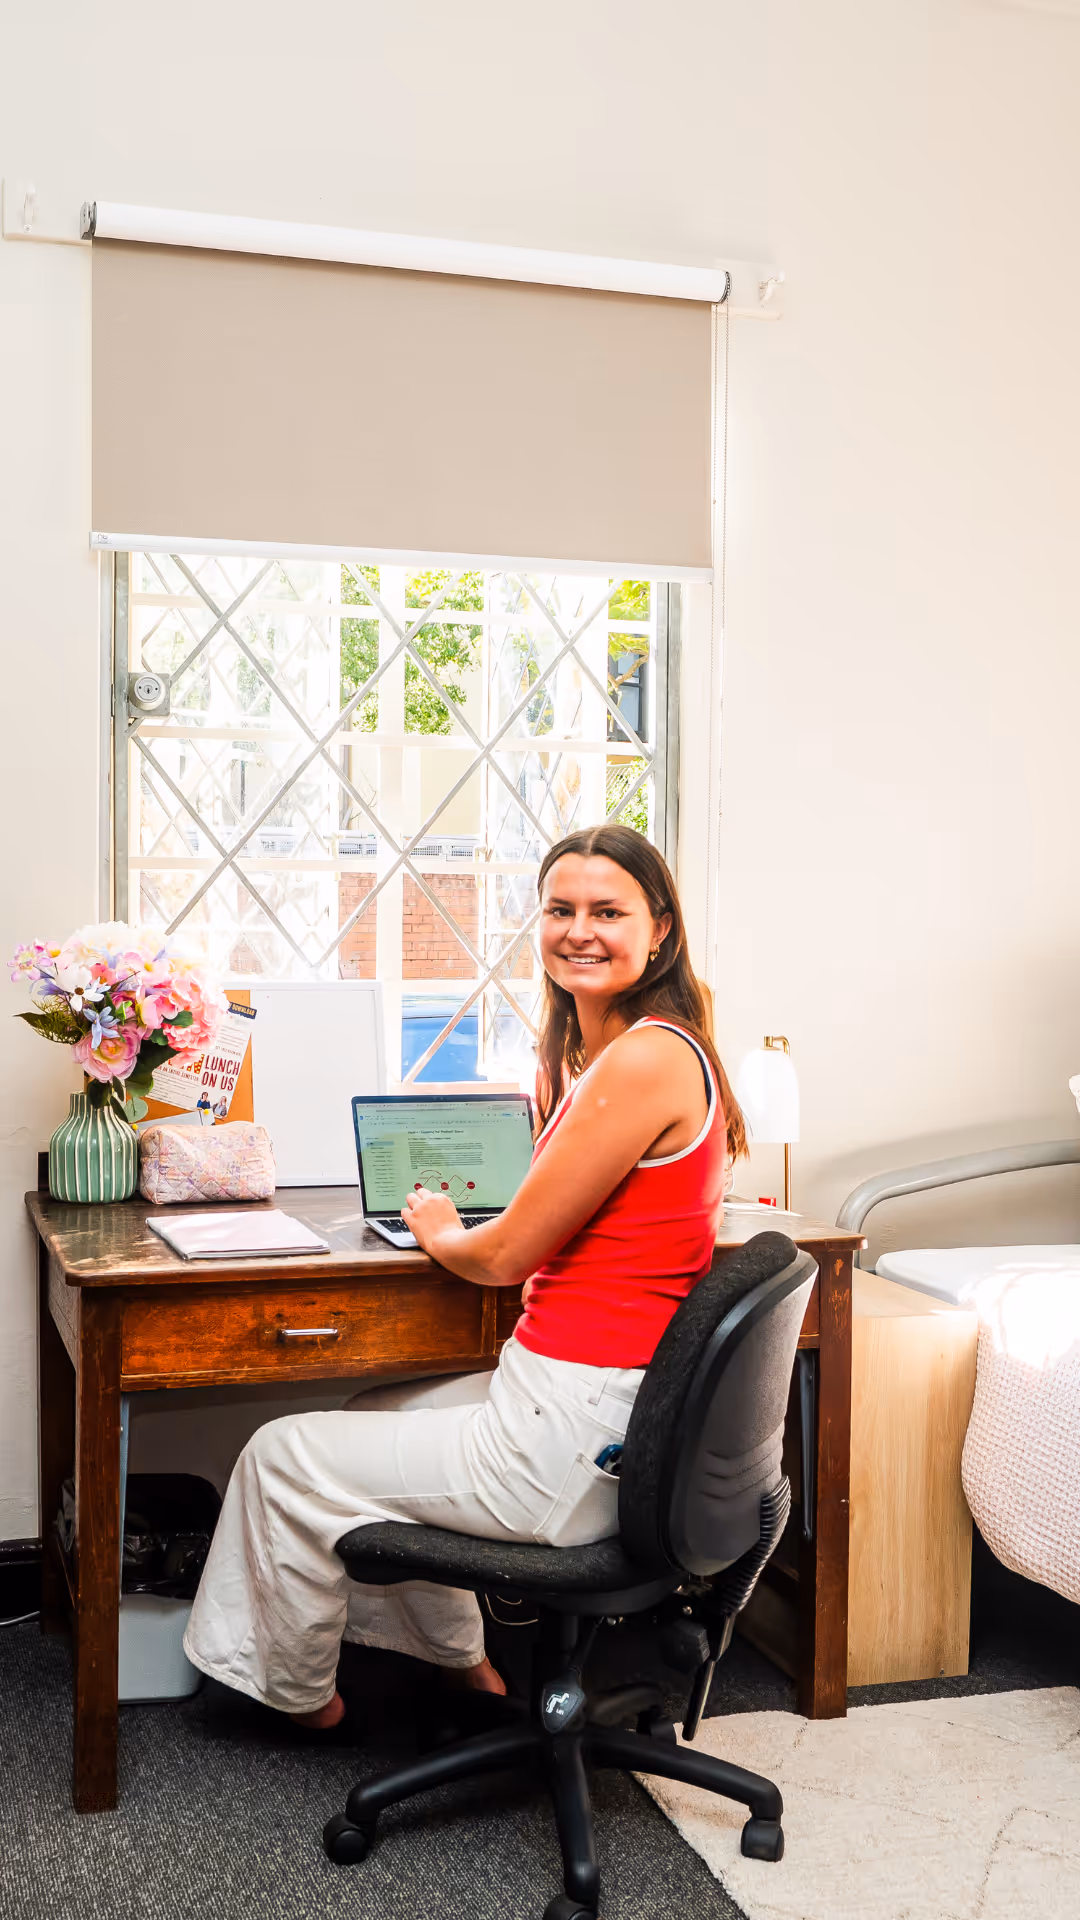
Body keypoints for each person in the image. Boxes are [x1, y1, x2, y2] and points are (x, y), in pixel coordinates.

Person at [183, 823, 747, 1727]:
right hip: (595, 1410)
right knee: (367, 1414)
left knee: (280, 1453)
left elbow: (503, 1257)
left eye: (609, 911)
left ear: (661, 929)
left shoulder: (643, 1058)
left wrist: (442, 1229)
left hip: (566, 1435)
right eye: (560, 910)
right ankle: (461, 1662)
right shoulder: (642, 1050)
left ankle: (297, 1696)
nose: (579, 930)